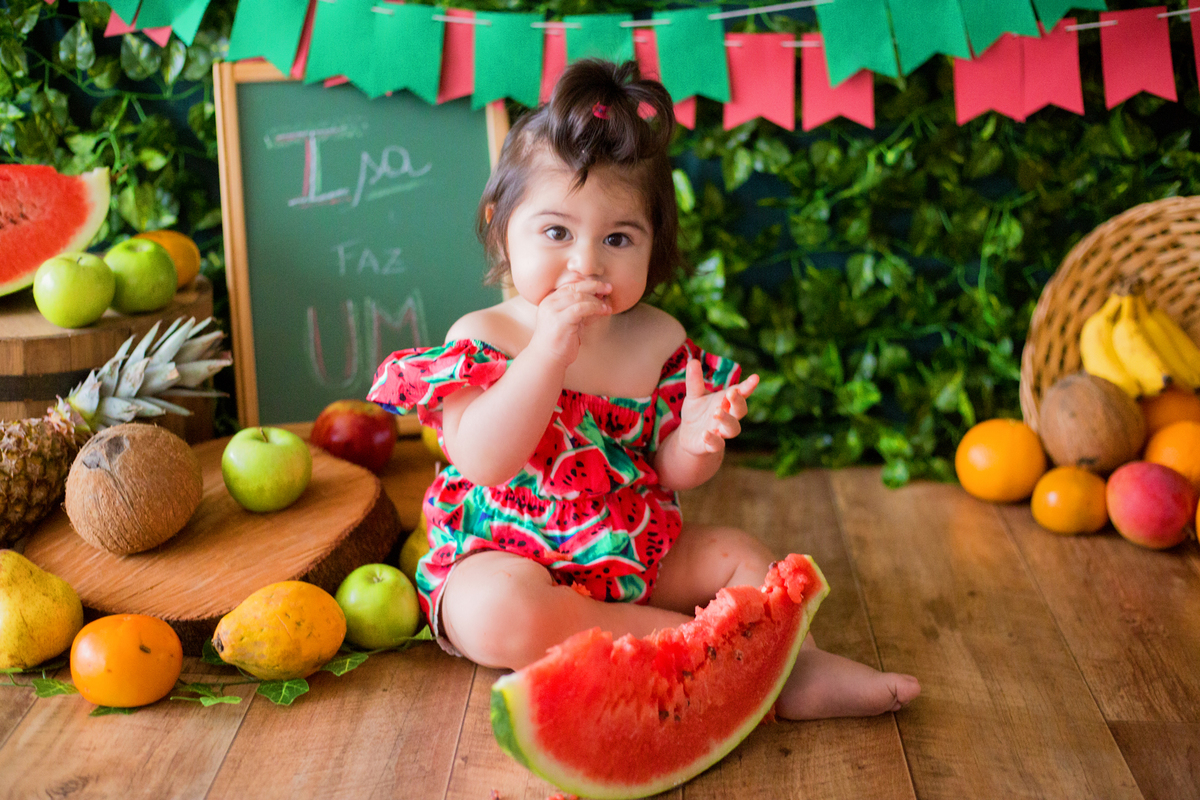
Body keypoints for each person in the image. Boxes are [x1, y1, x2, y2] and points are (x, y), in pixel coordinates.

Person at [368, 59, 919, 719]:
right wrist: (546, 352)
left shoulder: (657, 339)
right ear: (499, 223)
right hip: (506, 556)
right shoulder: (483, 337)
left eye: (618, 238)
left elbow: (670, 469)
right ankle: (706, 649)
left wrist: (695, 439)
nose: (587, 263)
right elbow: (486, 459)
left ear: (653, 249)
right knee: (493, 614)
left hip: (632, 548)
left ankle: (796, 668)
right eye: (556, 232)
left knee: (746, 560)